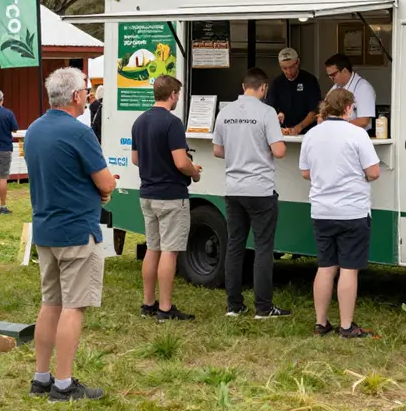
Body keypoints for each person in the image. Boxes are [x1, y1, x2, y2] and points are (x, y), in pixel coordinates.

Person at [24, 67, 116, 402]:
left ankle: (41, 377)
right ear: (77, 96)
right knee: (74, 307)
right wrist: (105, 191)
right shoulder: (79, 132)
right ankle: (63, 385)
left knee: (50, 302)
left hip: (45, 228)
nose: (88, 96)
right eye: (86, 92)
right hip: (77, 230)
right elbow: (105, 182)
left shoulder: (34, 129)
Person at [299, 88, 381, 338]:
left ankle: (321, 323)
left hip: (322, 210)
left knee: (325, 267)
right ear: (347, 108)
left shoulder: (311, 135)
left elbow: (305, 172)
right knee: (348, 268)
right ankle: (346, 326)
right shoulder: (357, 134)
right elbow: (374, 172)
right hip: (352, 211)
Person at [213, 68, 290, 319]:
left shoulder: (225, 112)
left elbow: (217, 151)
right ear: (263, 88)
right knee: (263, 248)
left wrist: (239, 152)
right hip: (260, 189)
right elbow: (278, 152)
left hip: (233, 188)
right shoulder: (266, 113)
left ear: (243, 86)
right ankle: (263, 308)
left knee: (235, 246)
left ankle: (234, 306)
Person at [131, 75, 201, 322]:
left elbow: (135, 159)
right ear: (172, 94)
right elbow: (181, 162)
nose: (178, 99)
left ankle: (148, 303)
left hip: (147, 193)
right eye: (178, 94)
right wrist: (194, 171)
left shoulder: (139, 121)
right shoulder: (172, 123)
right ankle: (165, 308)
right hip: (171, 195)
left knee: (152, 248)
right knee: (170, 252)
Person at [265, 48, 321, 137]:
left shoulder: (310, 80)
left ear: (297, 62)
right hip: (284, 131)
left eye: (291, 67)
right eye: (284, 68)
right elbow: (269, 108)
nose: (288, 71)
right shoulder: (277, 83)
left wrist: (298, 127)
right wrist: (277, 116)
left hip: (307, 132)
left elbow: (314, 111)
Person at [324, 54, 376, 130]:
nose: (331, 78)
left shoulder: (363, 87)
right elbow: (323, 113)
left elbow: (364, 121)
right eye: (329, 76)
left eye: (333, 75)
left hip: (356, 136)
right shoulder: (335, 88)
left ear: (344, 70)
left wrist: (338, 126)